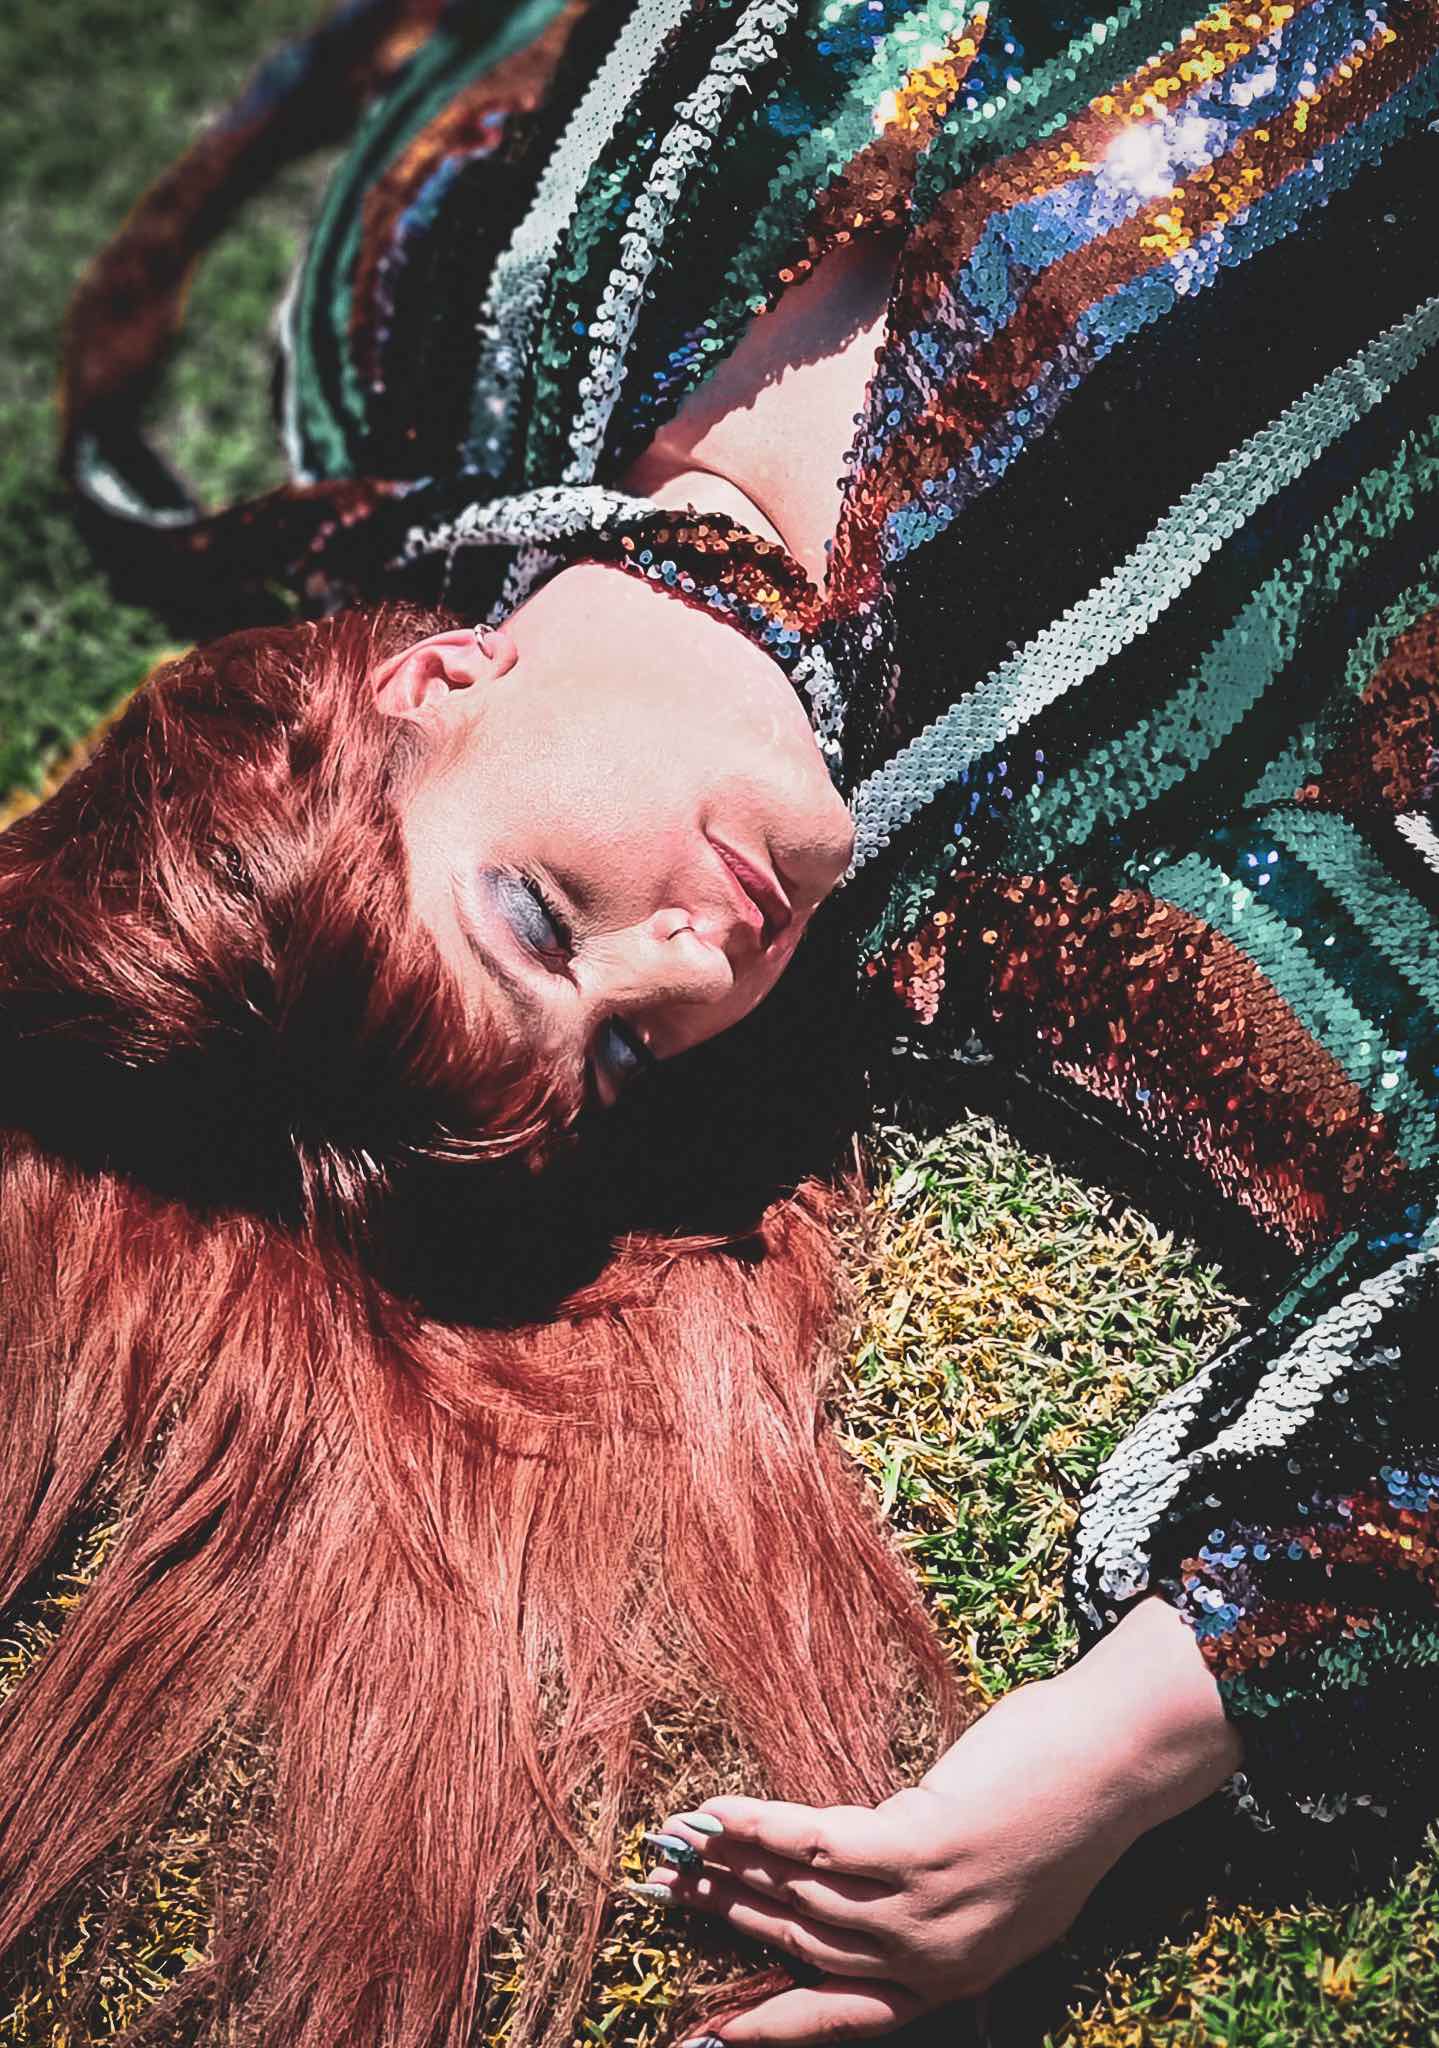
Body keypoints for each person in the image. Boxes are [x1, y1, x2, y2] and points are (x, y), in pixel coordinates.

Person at [8, 0, 1433, 2041]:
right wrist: (1123, 1745)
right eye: (620, 1056)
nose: (691, 974)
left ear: (431, 689)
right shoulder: (1042, 914)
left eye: (540, 918)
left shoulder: (428, 290)